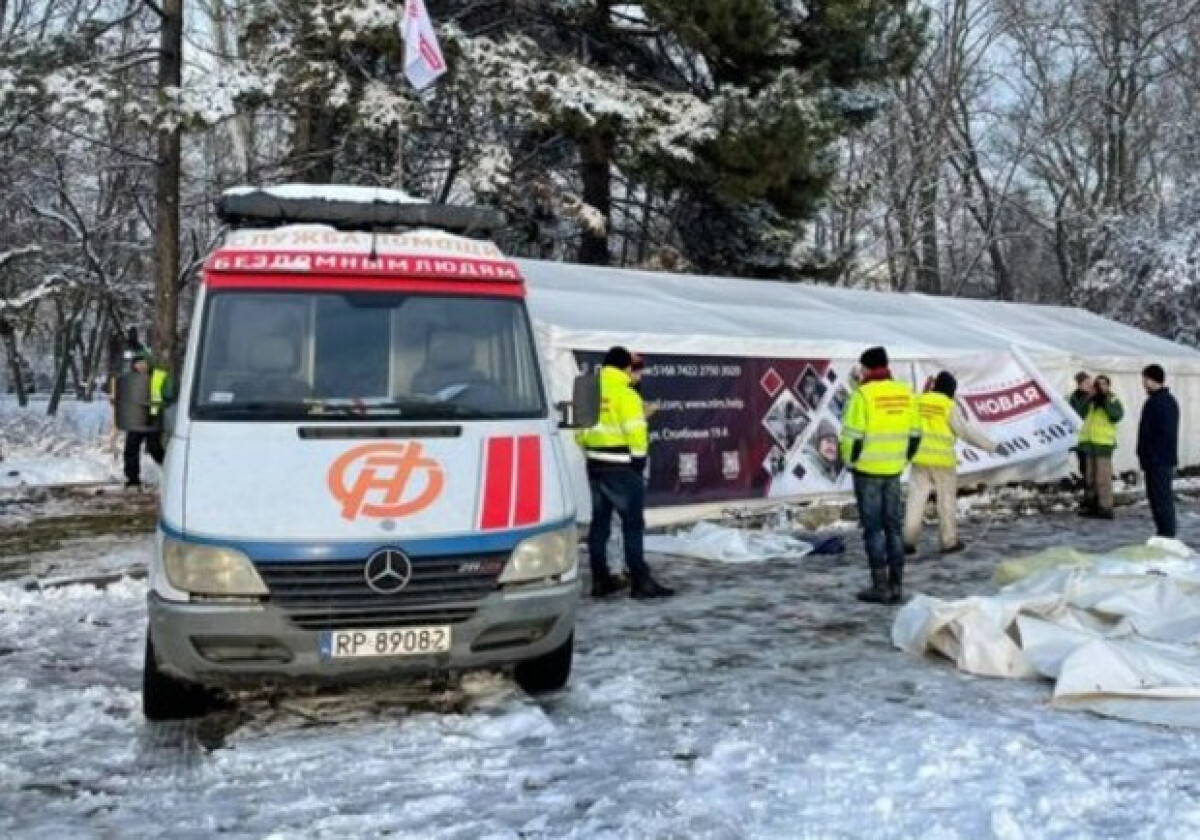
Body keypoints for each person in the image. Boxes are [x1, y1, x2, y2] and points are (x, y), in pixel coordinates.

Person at [576, 347, 674, 600]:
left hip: (595, 463)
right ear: (625, 368)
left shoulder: (587, 389)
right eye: (633, 369)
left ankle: (601, 581)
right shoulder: (626, 394)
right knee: (632, 524)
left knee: (600, 524)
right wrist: (638, 462)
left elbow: (579, 431)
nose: (635, 374)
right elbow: (636, 433)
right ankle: (641, 582)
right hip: (621, 466)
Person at [839, 346, 921, 605]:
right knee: (894, 528)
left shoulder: (862, 396)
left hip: (867, 472)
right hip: (893, 472)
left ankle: (880, 586)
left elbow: (851, 437)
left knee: (873, 530)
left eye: (862, 368)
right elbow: (915, 435)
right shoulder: (905, 393)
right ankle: (897, 585)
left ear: (867, 368)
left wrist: (850, 462)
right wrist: (902, 459)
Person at [903, 371, 999, 556]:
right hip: (943, 462)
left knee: (915, 501)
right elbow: (966, 432)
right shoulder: (948, 406)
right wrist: (991, 447)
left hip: (919, 459)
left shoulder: (918, 402)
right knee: (946, 502)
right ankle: (948, 542)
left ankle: (908, 542)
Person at [1137, 364, 1179, 538]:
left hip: (1159, 459)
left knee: (1162, 498)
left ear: (1153, 380)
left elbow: (1165, 432)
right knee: (1155, 498)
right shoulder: (1154, 401)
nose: (1143, 383)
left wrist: (1153, 455)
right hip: (1153, 459)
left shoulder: (1163, 402)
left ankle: (1167, 533)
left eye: (1145, 379)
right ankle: (1163, 531)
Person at [120, 349, 168, 488]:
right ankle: (132, 479)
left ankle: (170, 470)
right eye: (138, 363)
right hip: (135, 419)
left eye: (143, 363)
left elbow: (169, 393)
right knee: (131, 448)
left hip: (153, 418)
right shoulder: (129, 379)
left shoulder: (158, 376)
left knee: (154, 448)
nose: (141, 366)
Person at [1078, 374, 1123, 519]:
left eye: (1103, 384)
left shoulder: (1112, 399)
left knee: (1102, 478)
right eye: (1098, 384)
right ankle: (1091, 505)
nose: (1100, 387)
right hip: (1089, 444)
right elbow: (1079, 412)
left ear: (1108, 386)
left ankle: (1105, 507)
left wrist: (1104, 401)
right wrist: (1087, 397)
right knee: (1089, 477)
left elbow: (1116, 415)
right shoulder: (1091, 401)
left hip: (1103, 444)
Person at [1067, 371, 1093, 483]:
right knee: (1083, 461)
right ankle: (1087, 486)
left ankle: (1092, 487)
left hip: (1093, 435)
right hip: (1080, 436)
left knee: (1092, 463)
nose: (1089, 385)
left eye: (1090, 382)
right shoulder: (1073, 397)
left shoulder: (1094, 396)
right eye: (1086, 382)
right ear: (1079, 384)